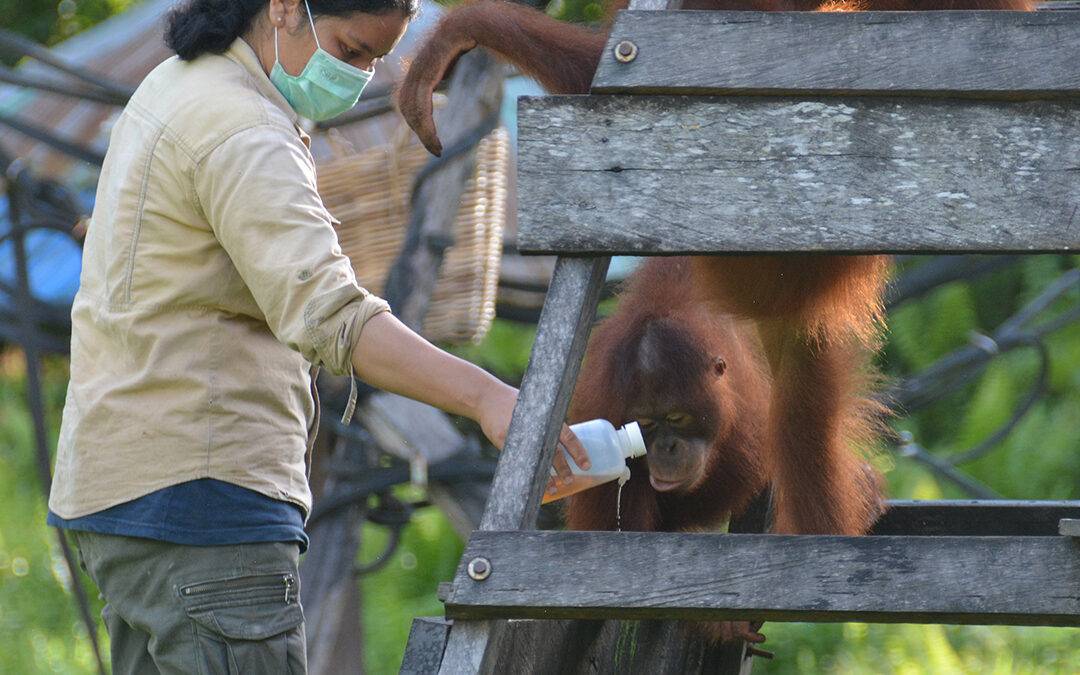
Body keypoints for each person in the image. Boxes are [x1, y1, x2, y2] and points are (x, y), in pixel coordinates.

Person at [45, 1, 589, 672]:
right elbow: (331, 313)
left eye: (373, 60)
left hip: (120, 499)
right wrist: (486, 397)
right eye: (351, 49)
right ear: (283, 7)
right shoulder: (239, 127)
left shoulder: (178, 86)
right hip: (203, 504)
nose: (359, 76)